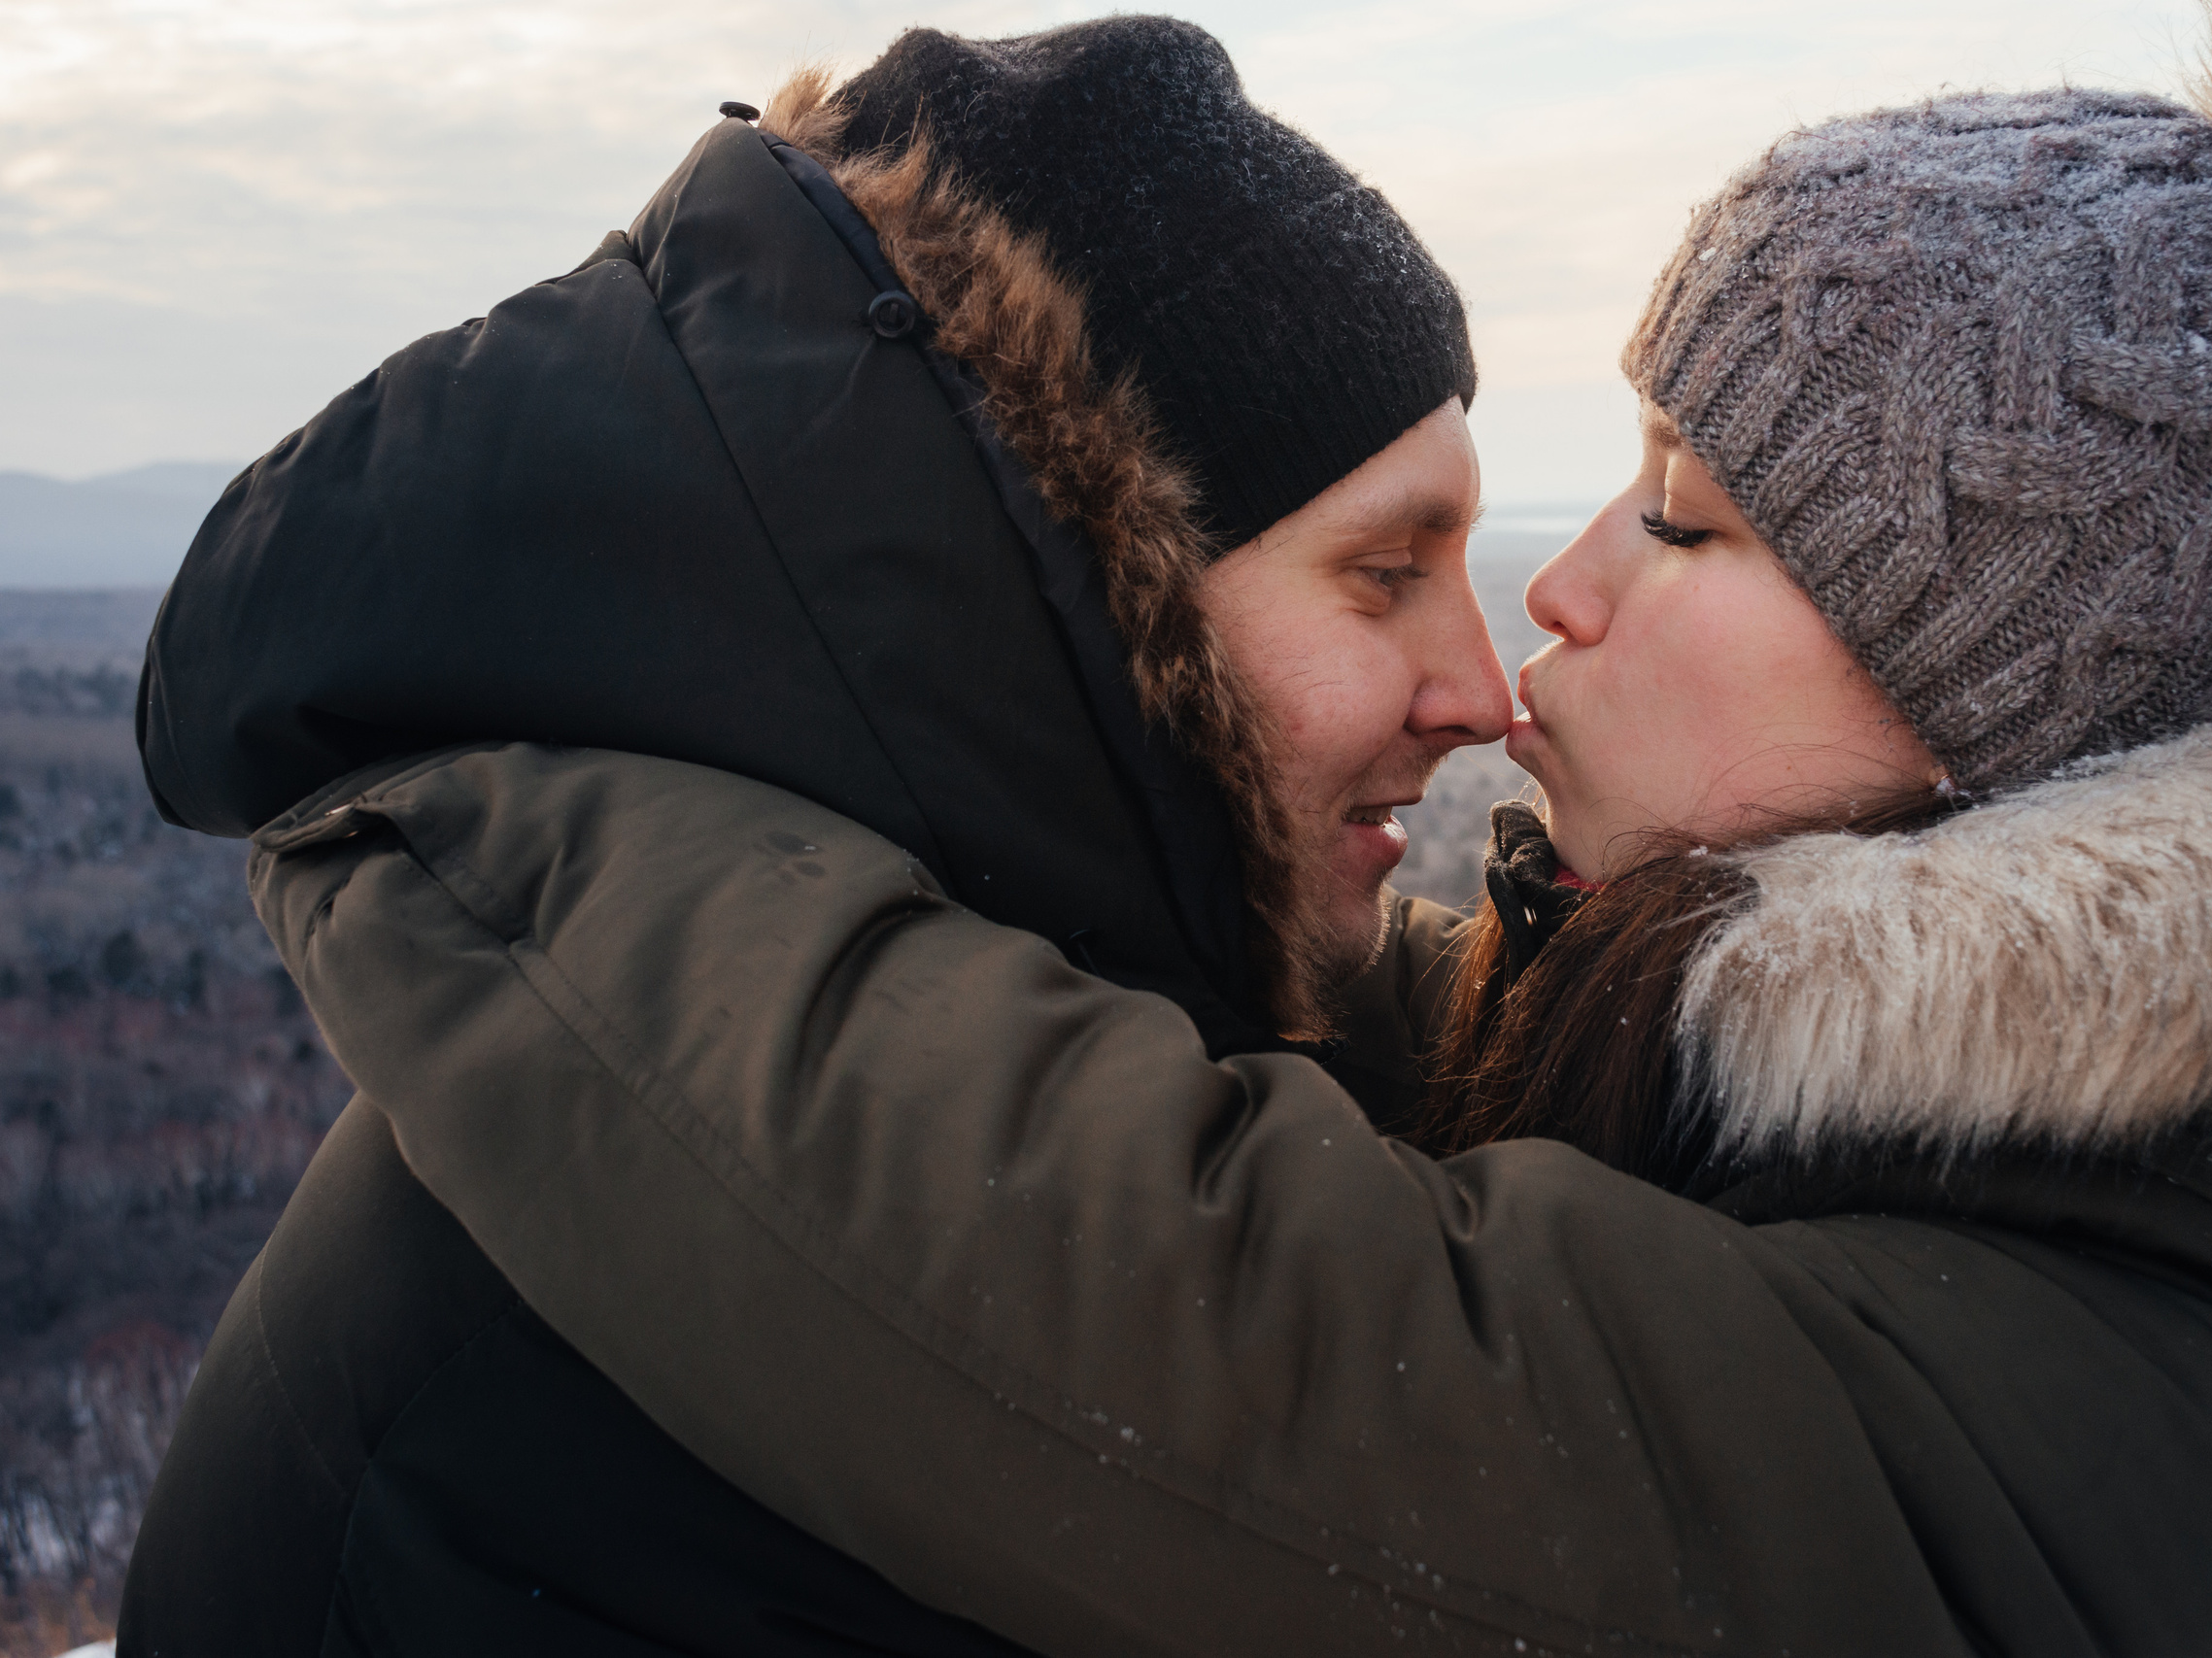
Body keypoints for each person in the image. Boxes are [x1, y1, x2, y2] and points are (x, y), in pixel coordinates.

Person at [133, 4, 2212, 1656]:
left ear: (2018, 681)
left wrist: (514, 850)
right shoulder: (1761, 1048)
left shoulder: (2196, 1335)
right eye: (1391, 565)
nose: (1534, 621)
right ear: (1109, 607)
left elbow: (1277, 1351)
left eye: (1680, 520)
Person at [119, 17, 1505, 1654]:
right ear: (1106, 585)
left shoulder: (967, 1059)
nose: (1483, 690)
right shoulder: (682, 1346)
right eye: (1385, 572)